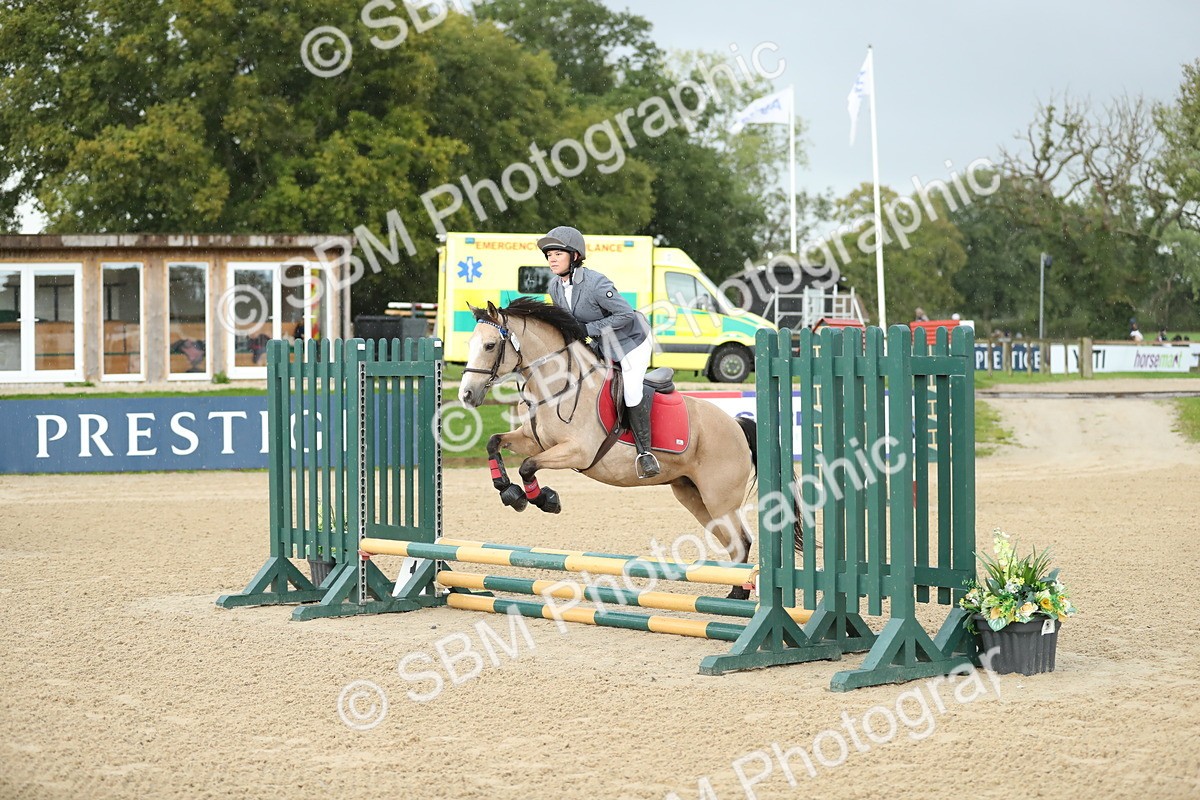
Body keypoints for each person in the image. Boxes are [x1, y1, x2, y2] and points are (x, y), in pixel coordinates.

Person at [538, 226, 660, 479]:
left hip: (631, 341)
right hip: (602, 344)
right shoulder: (554, 287)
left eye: (557, 253)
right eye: (548, 254)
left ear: (574, 256)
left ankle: (645, 453)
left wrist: (588, 328)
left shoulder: (595, 283)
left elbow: (625, 315)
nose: (551, 259)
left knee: (631, 389)